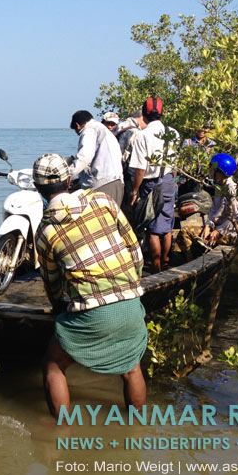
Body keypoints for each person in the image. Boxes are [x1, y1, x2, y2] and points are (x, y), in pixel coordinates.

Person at [31, 153, 146, 418]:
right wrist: (132, 287)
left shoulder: (45, 232)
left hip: (93, 311)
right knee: (132, 368)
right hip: (130, 303)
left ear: (38, 188)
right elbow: (134, 251)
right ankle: (138, 425)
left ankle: (61, 431)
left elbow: (53, 285)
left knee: (53, 365)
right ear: (69, 180)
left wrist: (60, 309)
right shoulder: (102, 201)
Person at [128, 97, 180, 273]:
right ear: (162, 114)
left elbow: (140, 169)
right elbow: (176, 163)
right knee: (167, 225)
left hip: (151, 183)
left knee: (153, 229)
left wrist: (135, 191)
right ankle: (165, 261)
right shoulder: (173, 133)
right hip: (169, 180)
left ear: (144, 114)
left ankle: (157, 268)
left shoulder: (143, 135)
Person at [176, 153, 238, 260]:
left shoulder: (233, 190)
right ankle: (191, 259)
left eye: (214, 170)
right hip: (218, 228)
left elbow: (237, 218)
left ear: (221, 172)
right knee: (186, 233)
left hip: (230, 233)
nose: (211, 173)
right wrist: (208, 226)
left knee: (185, 232)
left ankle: (191, 261)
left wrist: (218, 231)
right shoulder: (220, 187)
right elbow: (214, 210)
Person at [68, 110, 124, 206]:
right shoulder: (103, 130)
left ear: (78, 125)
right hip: (117, 182)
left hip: (103, 183)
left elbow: (84, 157)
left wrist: (68, 174)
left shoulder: (89, 129)